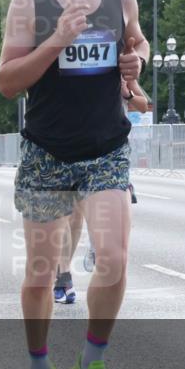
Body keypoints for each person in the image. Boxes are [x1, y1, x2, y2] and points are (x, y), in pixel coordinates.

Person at [0, 0, 149, 369]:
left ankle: (92, 364)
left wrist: (138, 60)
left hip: (106, 149)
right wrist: (58, 39)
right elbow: (8, 80)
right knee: (40, 274)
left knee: (115, 258)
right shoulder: (29, 1)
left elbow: (138, 42)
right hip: (47, 152)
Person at [55, 79, 149, 304]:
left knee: (104, 212)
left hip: (110, 155)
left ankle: (98, 245)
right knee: (73, 217)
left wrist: (126, 94)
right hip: (72, 148)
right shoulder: (69, 61)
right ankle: (63, 275)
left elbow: (143, 105)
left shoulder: (118, 64)